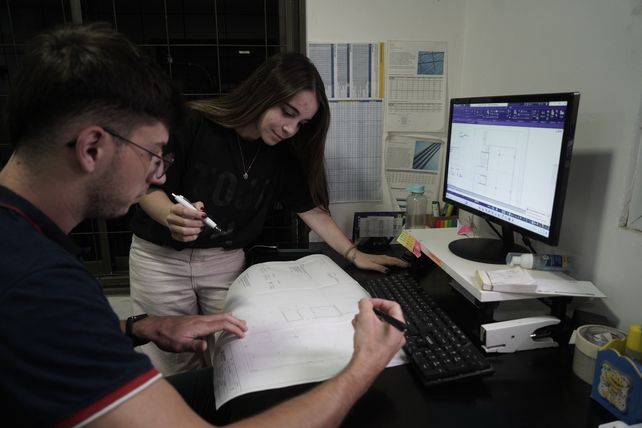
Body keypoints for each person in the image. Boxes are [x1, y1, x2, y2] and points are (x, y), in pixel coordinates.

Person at [0, 22, 407, 427]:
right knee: (184, 372)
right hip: (162, 261)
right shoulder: (39, 283)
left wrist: (140, 326)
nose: (159, 176)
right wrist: (364, 366)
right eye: (154, 154)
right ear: (92, 147)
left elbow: (73, 339)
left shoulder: (34, 252)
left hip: (218, 264)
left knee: (228, 365)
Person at [129, 51, 409, 375]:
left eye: (301, 123)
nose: (290, 129)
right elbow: (147, 188)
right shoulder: (193, 123)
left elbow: (310, 210)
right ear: (262, 93)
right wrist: (169, 215)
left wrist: (353, 253)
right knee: (172, 363)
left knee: (232, 354)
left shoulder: (280, 154)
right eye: (286, 113)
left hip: (224, 260)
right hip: (160, 260)